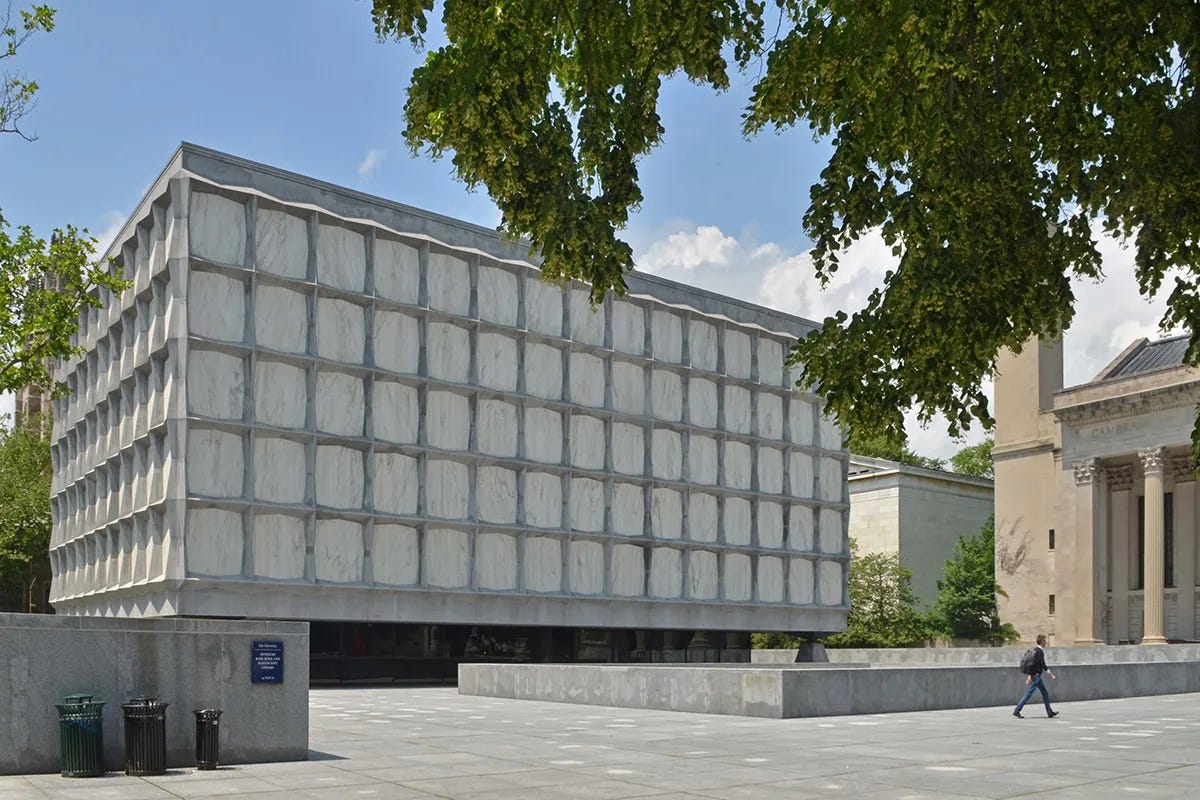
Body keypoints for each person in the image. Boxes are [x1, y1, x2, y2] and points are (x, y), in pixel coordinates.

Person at [1013, 634, 1059, 718]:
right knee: (1028, 694)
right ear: (1042, 642)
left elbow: (1032, 665)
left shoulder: (1034, 650)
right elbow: (1043, 664)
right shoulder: (1039, 651)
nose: (1046, 643)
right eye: (1045, 641)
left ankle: (1049, 712)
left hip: (1036, 676)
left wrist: (1029, 676)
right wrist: (1051, 674)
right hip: (1036, 677)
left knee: (1044, 693)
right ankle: (1017, 710)